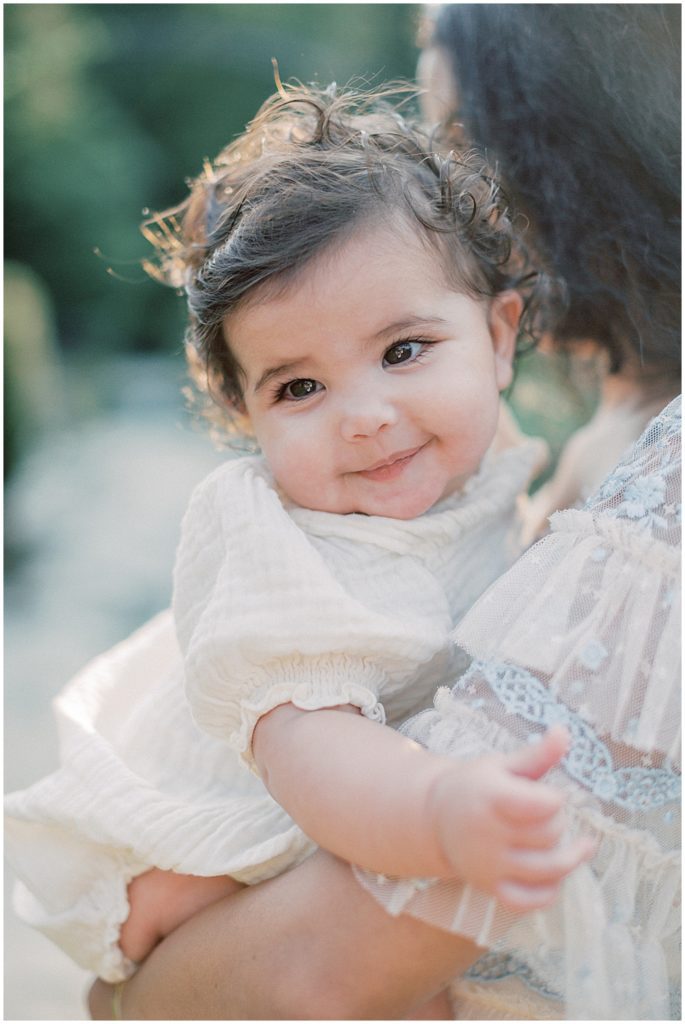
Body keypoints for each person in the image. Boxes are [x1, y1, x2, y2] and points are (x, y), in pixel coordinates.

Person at [83, 5, 679, 1020]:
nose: (364, 420)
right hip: (316, 805)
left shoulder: (523, 468)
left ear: (501, 331)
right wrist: (441, 810)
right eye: (297, 389)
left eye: (404, 350)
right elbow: (311, 744)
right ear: (242, 415)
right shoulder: (271, 538)